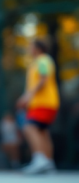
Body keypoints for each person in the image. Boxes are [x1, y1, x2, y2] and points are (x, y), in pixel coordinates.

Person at [17, 38, 60, 174]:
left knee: (29, 127)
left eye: (31, 47)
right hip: (46, 102)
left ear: (38, 48)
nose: (29, 49)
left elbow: (43, 78)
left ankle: (40, 160)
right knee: (42, 132)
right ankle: (48, 162)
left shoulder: (42, 60)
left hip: (43, 102)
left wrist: (27, 96)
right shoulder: (38, 62)